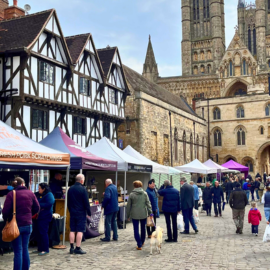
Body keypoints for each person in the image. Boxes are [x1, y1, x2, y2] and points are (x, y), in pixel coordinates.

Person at [2, 177, 40, 270]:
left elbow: (5, 211)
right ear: (23, 184)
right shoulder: (30, 193)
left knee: (18, 250)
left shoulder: (11, 194)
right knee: (25, 249)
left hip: (16, 225)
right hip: (28, 224)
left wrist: (7, 218)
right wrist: (29, 214)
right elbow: (37, 208)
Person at [68, 174, 91, 255]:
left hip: (73, 212)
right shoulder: (83, 189)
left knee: (72, 230)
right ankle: (77, 247)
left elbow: (68, 201)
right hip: (81, 212)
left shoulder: (70, 188)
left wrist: (70, 210)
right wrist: (89, 212)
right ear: (82, 180)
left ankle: (71, 247)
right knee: (80, 230)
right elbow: (86, 202)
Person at [127, 180, 152, 250]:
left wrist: (128, 215)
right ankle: (142, 241)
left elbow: (128, 206)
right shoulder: (145, 193)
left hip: (134, 214)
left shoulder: (131, 194)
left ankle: (139, 244)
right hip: (143, 213)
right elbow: (148, 204)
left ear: (134, 186)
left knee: (136, 229)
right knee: (143, 228)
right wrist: (150, 213)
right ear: (141, 186)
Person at [34, 183, 55, 256]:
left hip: (45, 216)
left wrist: (38, 204)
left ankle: (45, 249)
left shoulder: (49, 195)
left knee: (43, 232)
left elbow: (49, 203)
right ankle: (40, 248)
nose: (38, 189)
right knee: (38, 232)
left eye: (39, 188)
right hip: (38, 216)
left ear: (44, 189)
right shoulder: (38, 194)